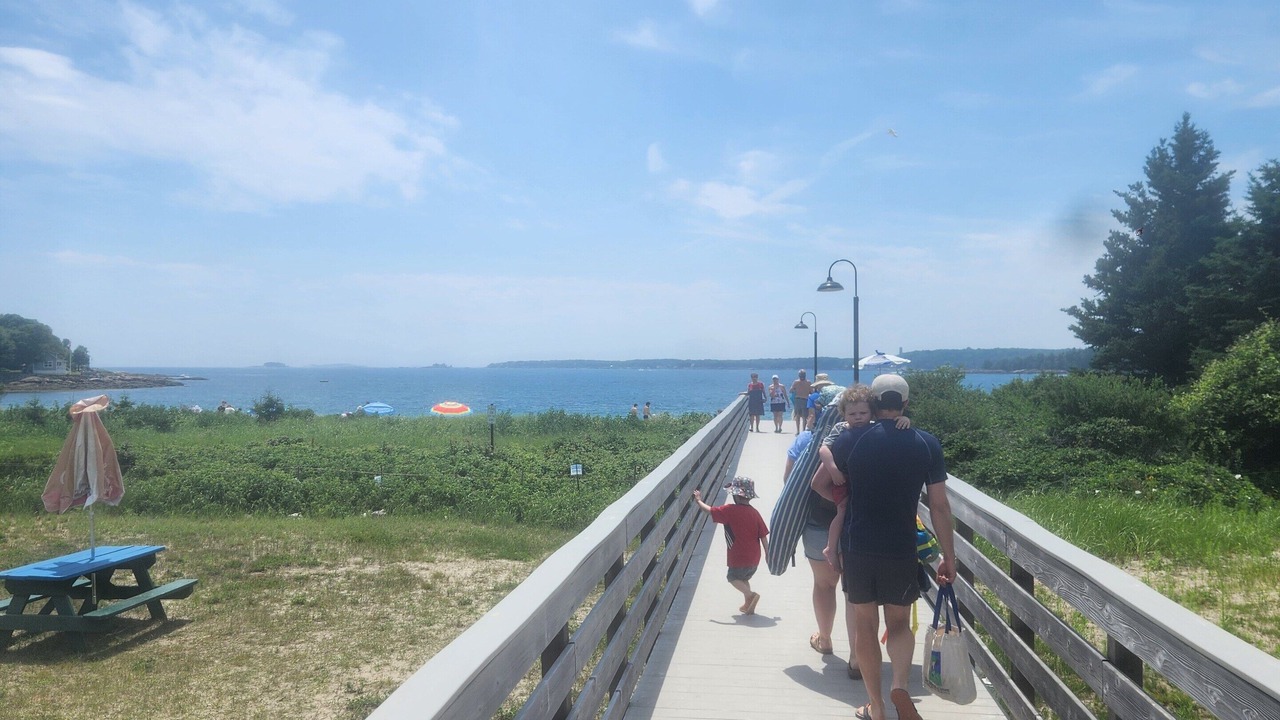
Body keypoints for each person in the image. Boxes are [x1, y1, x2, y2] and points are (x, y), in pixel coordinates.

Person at [838, 374, 956, 720]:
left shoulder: (853, 440)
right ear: (905, 403)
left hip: (859, 545)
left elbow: (821, 482)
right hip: (901, 547)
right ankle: (899, 684)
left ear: (874, 403)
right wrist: (948, 557)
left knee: (865, 625)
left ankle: (876, 708)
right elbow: (939, 506)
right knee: (900, 623)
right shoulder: (926, 444)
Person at [812, 385, 911, 572]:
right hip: (843, 479)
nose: (858, 417)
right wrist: (833, 470)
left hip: (862, 482)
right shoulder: (841, 428)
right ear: (843, 414)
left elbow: (894, 424)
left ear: (872, 413)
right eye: (852, 414)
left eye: (862, 413)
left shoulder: (874, 427)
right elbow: (823, 449)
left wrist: (904, 419)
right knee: (842, 509)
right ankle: (830, 548)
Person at [693, 476, 769, 615]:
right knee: (744, 579)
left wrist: (698, 501)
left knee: (733, 578)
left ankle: (751, 595)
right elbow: (763, 536)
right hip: (754, 558)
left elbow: (709, 510)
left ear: (736, 496)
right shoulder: (755, 513)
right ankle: (748, 604)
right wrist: (768, 554)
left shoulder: (729, 510)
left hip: (738, 556)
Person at [789, 369, 812, 434]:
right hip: (805, 400)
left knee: (798, 416)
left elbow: (791, 390)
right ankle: (802, 430)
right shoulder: (808, 382)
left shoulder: (796, 382)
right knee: (804, 417)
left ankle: (798, 431)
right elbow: (811, 391)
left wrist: (796, 389)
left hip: (798, 399)